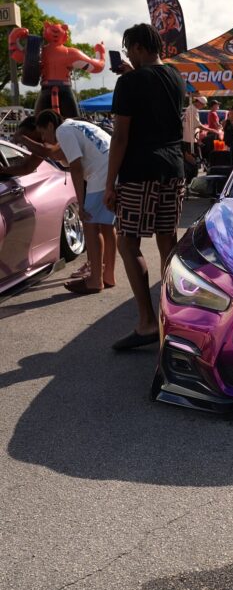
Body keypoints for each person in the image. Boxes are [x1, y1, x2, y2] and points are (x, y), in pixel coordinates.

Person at [105, 23, 186, 351]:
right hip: (173, 168)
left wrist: (109, 183)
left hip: (140, 171)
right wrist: (130, 75)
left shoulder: (130, 82)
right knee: (168, 241)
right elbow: (154, 96)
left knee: (127, 243)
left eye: (129, 51)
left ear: (137, 47)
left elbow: (121, 136)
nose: (128, 57)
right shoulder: (176, 77)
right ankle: (173, 319)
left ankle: (147, 323)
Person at [35, 110, 117, 294]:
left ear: (49, 125)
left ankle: (95, 280)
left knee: (89, 223)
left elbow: (76, 168)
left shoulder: (62, 131)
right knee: (106, 225)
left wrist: (80, 203)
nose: (44, 138)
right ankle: (108, 275)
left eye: (42, 132)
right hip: (113, 169)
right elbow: (66, 158)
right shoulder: (74, 124)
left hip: (101, 174)